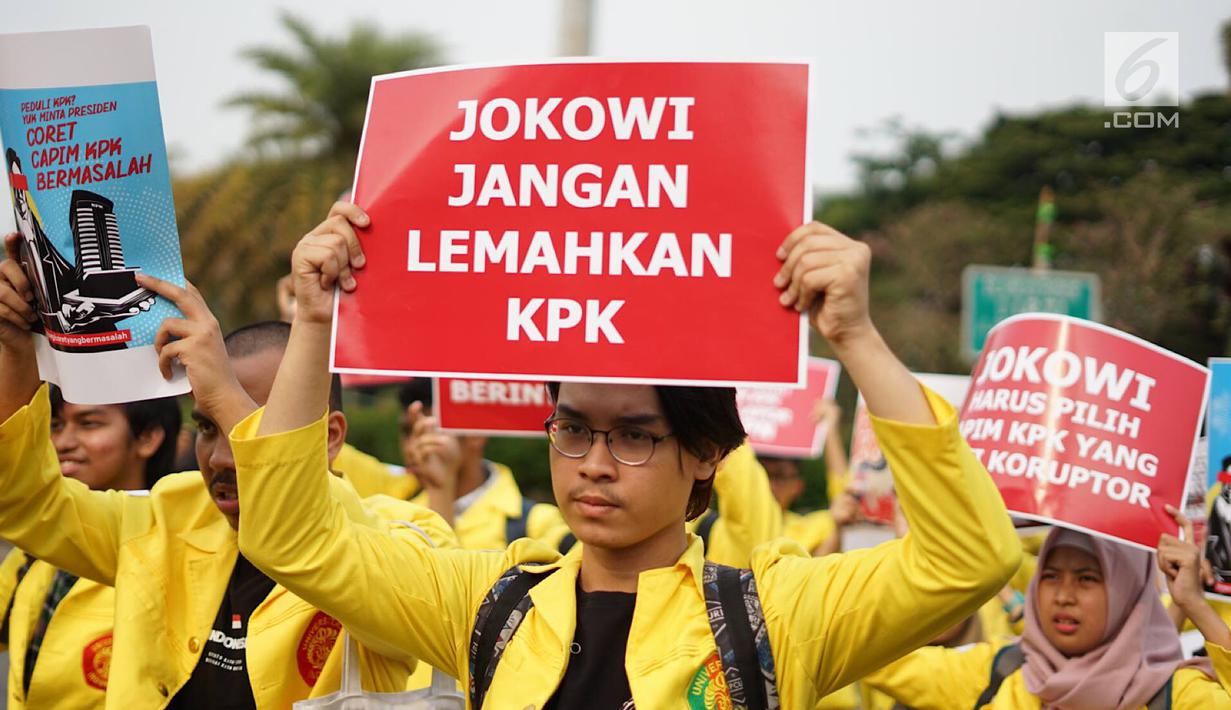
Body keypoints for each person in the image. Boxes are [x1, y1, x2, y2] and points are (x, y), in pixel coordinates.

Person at [220, 204, 1021, 708]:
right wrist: (316, 328)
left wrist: (856, 337)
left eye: (634, 435)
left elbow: (970, 559)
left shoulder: (776, 616)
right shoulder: (485, 602)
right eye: (572, 430)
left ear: (707, 453)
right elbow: (293, 537)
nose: (593, 463)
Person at [0, 232, 455, 709]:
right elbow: (26, 503)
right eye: (207, 427)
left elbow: (347, 562)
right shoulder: (167, 518)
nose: (220, 457)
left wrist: (224, 390)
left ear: (331, 437)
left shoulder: (410, 534)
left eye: (253, 419)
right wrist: (18, 353)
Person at [862, 507, 1231, 708]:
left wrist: (1194, 605)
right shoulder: (1000, 670)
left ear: (1127, 594)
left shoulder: (1177, 694)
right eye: (1051, 576)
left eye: (1087, 579)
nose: (1063, 595)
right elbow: (865, 653)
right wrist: (912, 556)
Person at [0, 389, 180, 708]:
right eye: (56, 425)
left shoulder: (179, 551)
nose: (63, 441)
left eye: (89, 424)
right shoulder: (32, 554)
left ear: (147, 438)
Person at [397, 377, 569, 549]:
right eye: (408, 432)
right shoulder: (397, 516)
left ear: (475, 434)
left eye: (432, 431)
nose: (415, 446)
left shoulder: (538, 524)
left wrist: (441, 489)